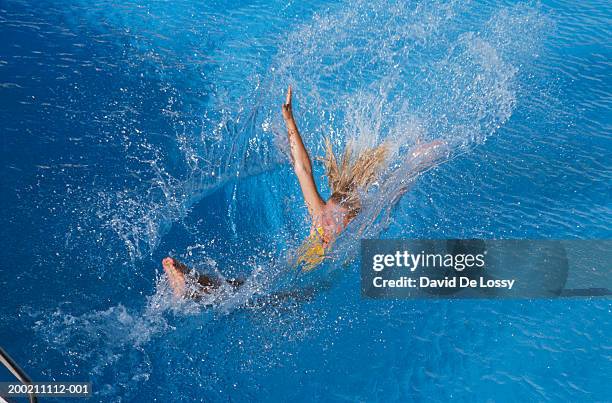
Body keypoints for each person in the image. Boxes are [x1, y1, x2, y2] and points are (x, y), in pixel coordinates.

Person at [162, 85, 447, 298]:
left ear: (351, 217)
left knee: (258, 295)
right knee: (251, 289)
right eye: (327, 215)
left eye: (335, 219)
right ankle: (194, 285)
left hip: (311, 284)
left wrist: (417, 159)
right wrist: (289, 121)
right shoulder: (324, 215)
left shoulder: (363, 222)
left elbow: (395, 188)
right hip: (295, 269)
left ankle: (196, 288)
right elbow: (302, 169)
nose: (325, 224)